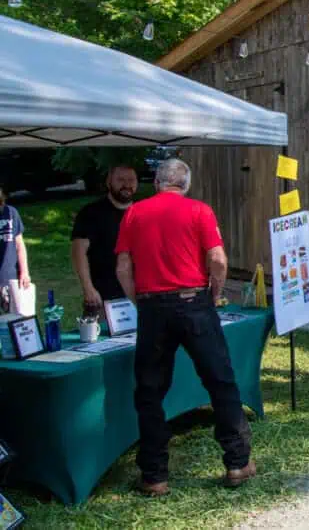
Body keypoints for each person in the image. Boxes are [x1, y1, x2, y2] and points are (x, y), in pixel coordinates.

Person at [115, 159, 254, 497]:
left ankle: (154, 475)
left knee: (149, 391)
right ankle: (237, 462)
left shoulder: (133, 213)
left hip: (152, 306)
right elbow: (218, 259)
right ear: (185, 183)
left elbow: (122, 266)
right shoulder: (199, 210)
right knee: (220, 381)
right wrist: (214, 293)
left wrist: (140, 302)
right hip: (193, 303)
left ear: (157, 182)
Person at [71, 165, 138, 316]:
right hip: (103, 298)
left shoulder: (144, 211)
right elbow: (78, 252)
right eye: (120, 180)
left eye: (131, 180)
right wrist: (88, 288)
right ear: (109, 182)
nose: (126, 185)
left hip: (141, 295)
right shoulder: (91, 213)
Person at [0, 187, 29, 315]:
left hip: (10, 278)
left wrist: (24, 272)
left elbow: (19, 245)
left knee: (15, 320)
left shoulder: (11, 213)